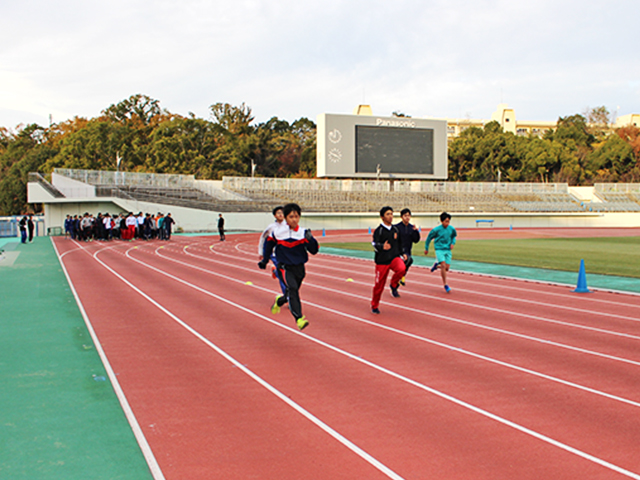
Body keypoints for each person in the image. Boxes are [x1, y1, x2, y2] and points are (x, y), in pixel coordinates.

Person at [259, 203, 318, 330]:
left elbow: (314, 251)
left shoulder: (303, 233)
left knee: (291, 293)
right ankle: (299, 318)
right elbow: (268, 246)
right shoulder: (277, 233)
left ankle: (280, 301)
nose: (294, 219)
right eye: (291, 217)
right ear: (286, 218)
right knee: (293, 290)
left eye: (296, 216)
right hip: (284, 267)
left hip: (299, 268)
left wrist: (311, 240)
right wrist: (264, 260)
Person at [370, 206, 406, 314]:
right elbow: (374, 243)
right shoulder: (379, 231)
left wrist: (402, 253)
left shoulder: (395, 229)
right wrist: (381, 247)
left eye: (391, 213)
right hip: (382, 261)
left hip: (394, 257)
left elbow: (399, 243)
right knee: (379, 286)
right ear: (382, 217)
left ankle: (394, 284)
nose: (391, 216)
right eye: (388, 214)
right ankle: (374, 305)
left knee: (402, 268)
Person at [424, 212, 457, 293]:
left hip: (447, 250)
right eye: (446, 221)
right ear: (441, 221)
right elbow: (429, 238)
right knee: (443, 265)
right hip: (439, 249)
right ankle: (445, 284)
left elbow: (454, 237)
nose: (447, 223)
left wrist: (452, 243)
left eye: (448, 221)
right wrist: (426, 248)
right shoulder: (436, 230)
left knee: (447, 268)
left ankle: (436, 266)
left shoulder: (451, 229)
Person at [258, 206, 287, 297]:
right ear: (275, 215)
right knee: (282, 276)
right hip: (275, 254)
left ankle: (275, 271)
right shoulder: (271, 227)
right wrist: (261, 252)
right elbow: (263, 238)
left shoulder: (289, 225)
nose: (281, 214)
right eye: (278, 213)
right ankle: (287, 296)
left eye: (282, 212)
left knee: (289, 274)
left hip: (287, 254)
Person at [395, 208, 421, 286]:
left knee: (408, 262)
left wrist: (416, 232)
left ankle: (398, 280)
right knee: (405, 263)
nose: (407, 217)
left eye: (409, 216)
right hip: (398, 251)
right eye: (405, 215)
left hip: (408, 250)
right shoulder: (397, 227)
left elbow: (416, 240)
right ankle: (399, 279)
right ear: (401, 217)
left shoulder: (411, 227)